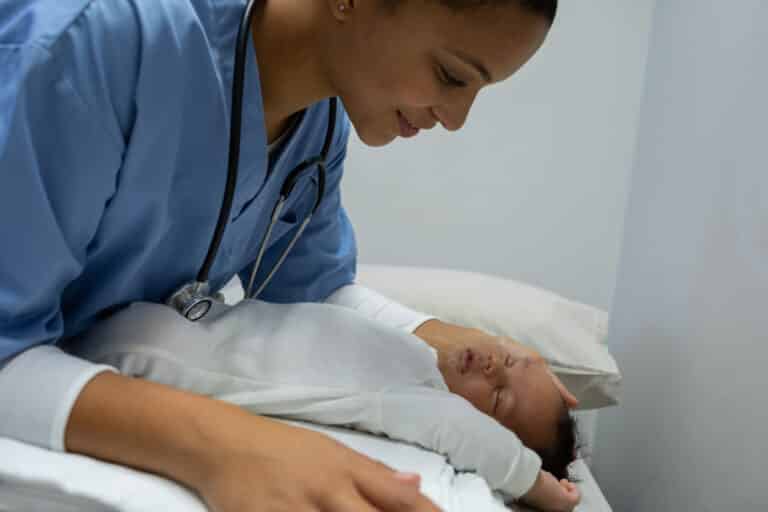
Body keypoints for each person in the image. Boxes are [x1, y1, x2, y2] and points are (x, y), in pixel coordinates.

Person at [0, 1, 569, 511]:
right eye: (451, 75)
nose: (456, 117)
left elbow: (310, 285)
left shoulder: (318, 125)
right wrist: (226, 446)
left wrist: (443, 340)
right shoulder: (97, 40)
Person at [64, 294, 581, 510]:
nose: (495, 369)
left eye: (495, 401)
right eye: (511, 362)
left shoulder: (415, 397)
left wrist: (537, 486)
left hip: (143, 353)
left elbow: (470, 437)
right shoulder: (409, 349)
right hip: (158, 317)